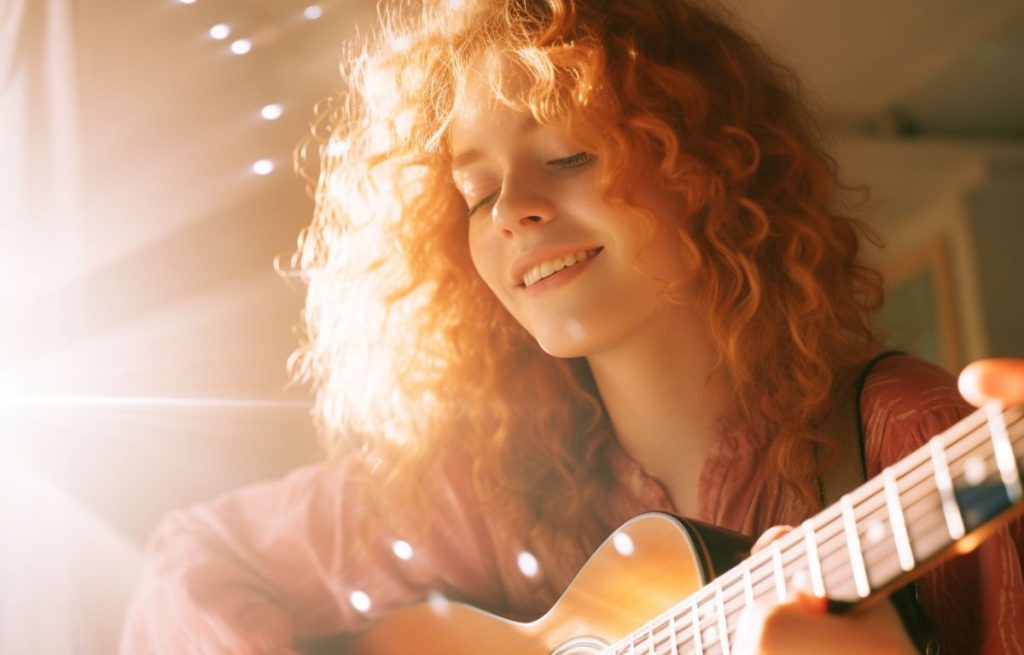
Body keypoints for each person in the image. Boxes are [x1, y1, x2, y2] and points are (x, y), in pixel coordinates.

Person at [120, 1, 1024, 653]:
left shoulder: (913, 440)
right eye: (475, 192)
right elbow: (195, 558)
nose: (512, 209)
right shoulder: (494, 484)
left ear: (707, 168)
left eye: (567, 156)